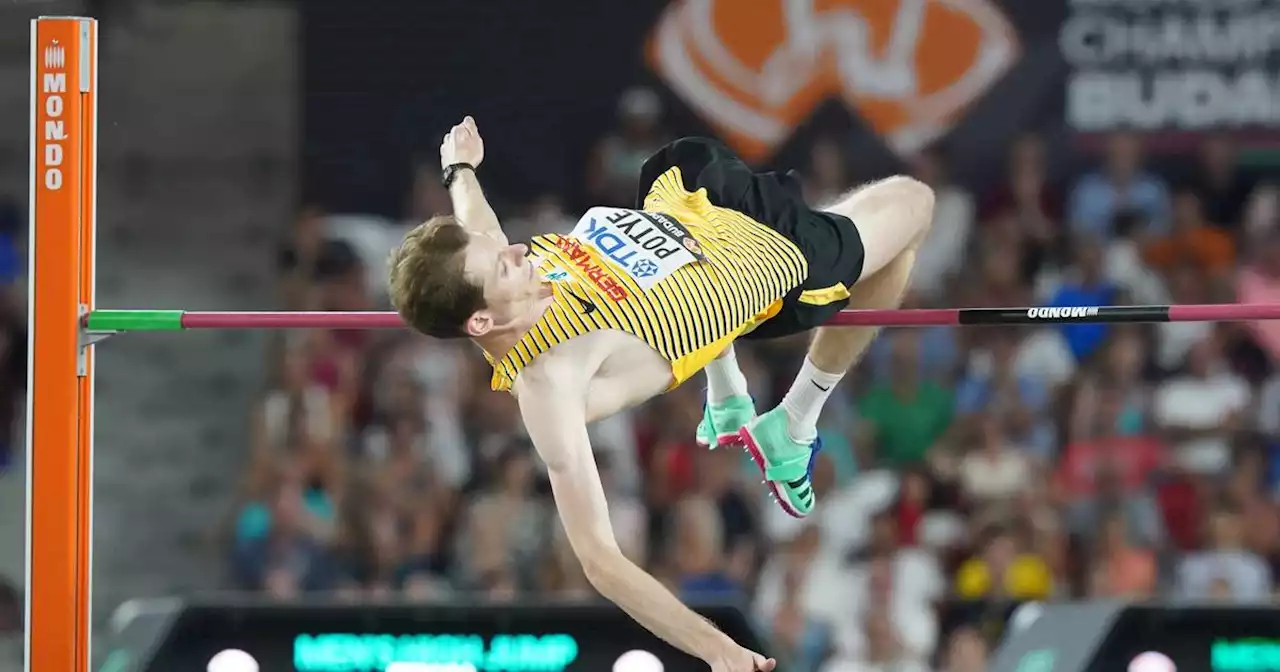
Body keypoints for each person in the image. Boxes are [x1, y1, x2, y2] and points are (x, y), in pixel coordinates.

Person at [388, 116, 934, 671]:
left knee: (681, 156)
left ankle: (726, 390)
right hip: (775, 257)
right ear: (481, 321)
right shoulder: (551, 383)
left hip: (687, 198)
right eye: (499, 266)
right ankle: (794, 422)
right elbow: (600, 561)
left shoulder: (505, 282)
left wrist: (459, 168)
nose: (516, 250)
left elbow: (479, 226)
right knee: (914, 206)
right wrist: (717, 649)